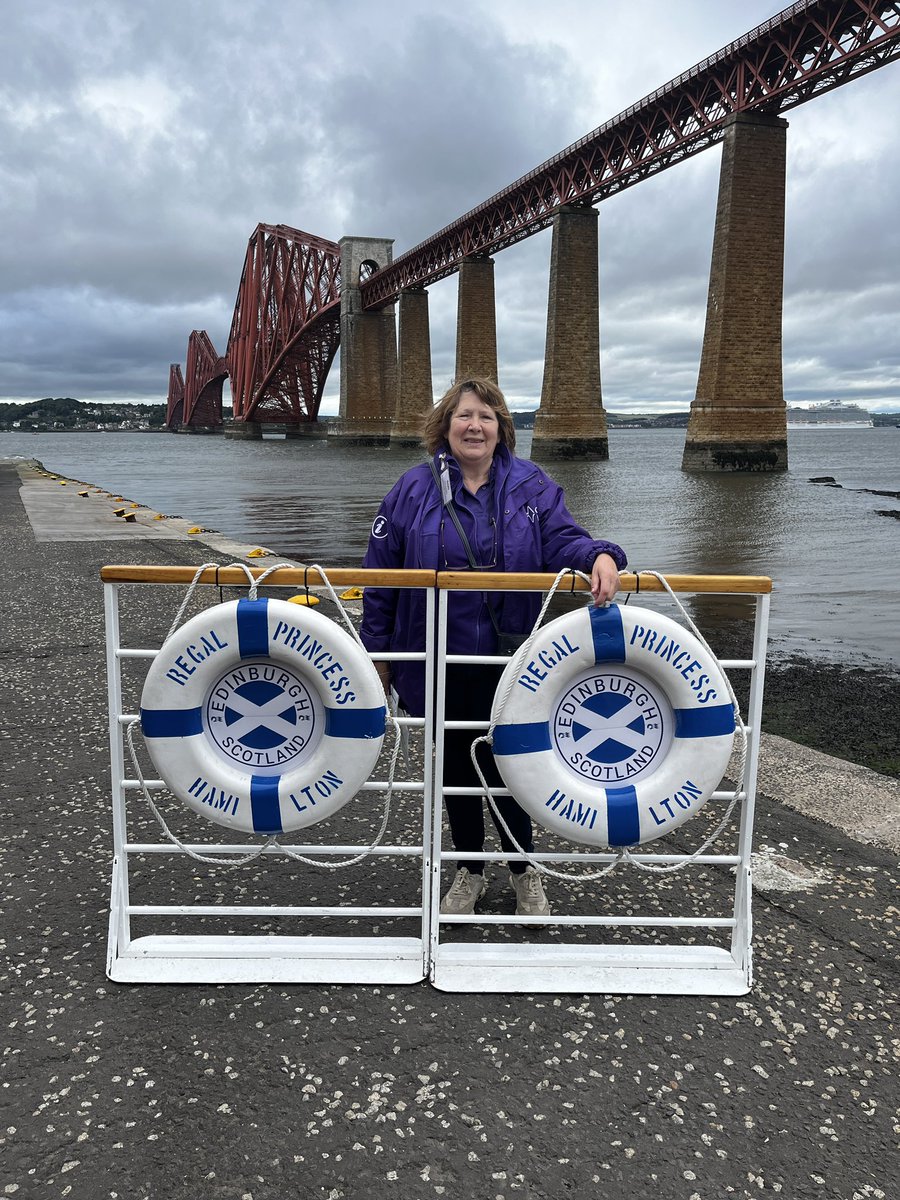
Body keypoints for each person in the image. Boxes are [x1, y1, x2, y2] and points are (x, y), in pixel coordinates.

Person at [360, 377, 627, 918]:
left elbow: (562, 539)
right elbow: (380, 577)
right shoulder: (411, 490)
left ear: (501, 427)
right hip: (437, 656)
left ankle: (525, 871)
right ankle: (469, 871)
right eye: (463, 416)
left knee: (514, 766)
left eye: (485, 416)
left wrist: (600, 554)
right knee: (455, 768)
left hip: (512, 661)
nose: (474, 426)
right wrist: (379, 655)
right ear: (445, 426)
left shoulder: (532, 486)